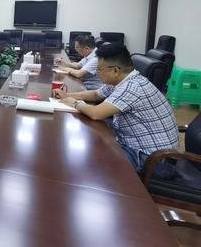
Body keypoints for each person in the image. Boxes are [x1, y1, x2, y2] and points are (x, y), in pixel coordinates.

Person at [53, 43, 178, 174]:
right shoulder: (121, 80)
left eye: (99, 69)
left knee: (86, 159)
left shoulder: (132, 87)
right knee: (89, 139)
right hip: (136, 145)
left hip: (154, 159)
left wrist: (74, 103)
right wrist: (68, 95)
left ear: (115, 71)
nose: (97, 73)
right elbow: (96, 94)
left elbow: (96, 113)